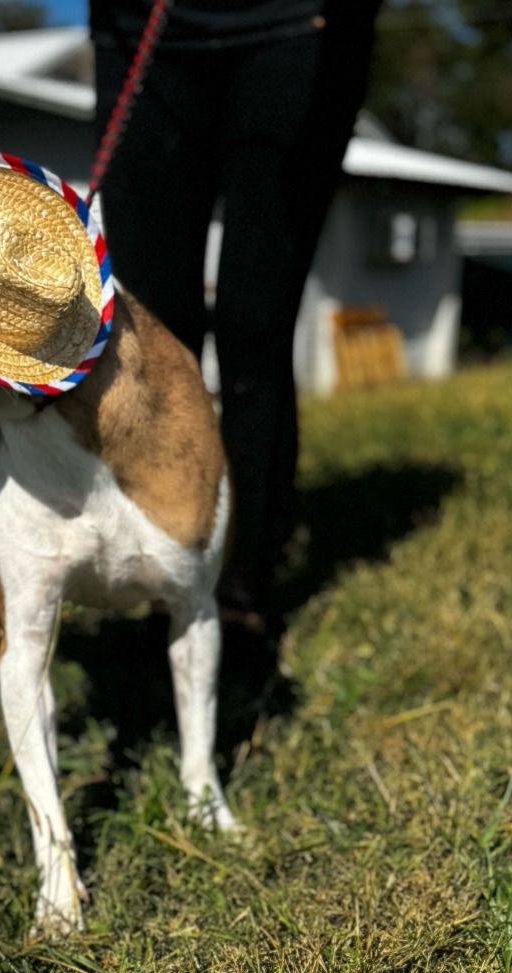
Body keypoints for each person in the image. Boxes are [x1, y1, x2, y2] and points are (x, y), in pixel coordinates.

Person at [91, 0, 382, 694]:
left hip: (298, 26)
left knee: (256, 327)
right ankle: (162, 585)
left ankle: (240, 598)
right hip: (143, 33)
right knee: (151, 334)